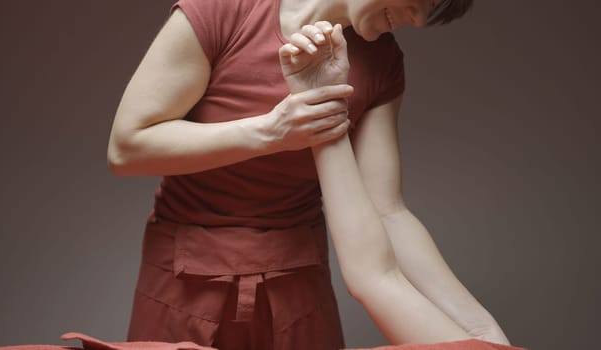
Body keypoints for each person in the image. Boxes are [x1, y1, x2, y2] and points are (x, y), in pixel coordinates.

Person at [107, 0, 509, 348]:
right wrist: (269, 132)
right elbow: (127, 148)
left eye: (431, 12)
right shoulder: (225, 9)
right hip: (184, 278)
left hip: (296, 288)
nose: (419, 20)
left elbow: (388, 212)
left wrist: (481, 330)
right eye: (421, 0)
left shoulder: (383, 61)